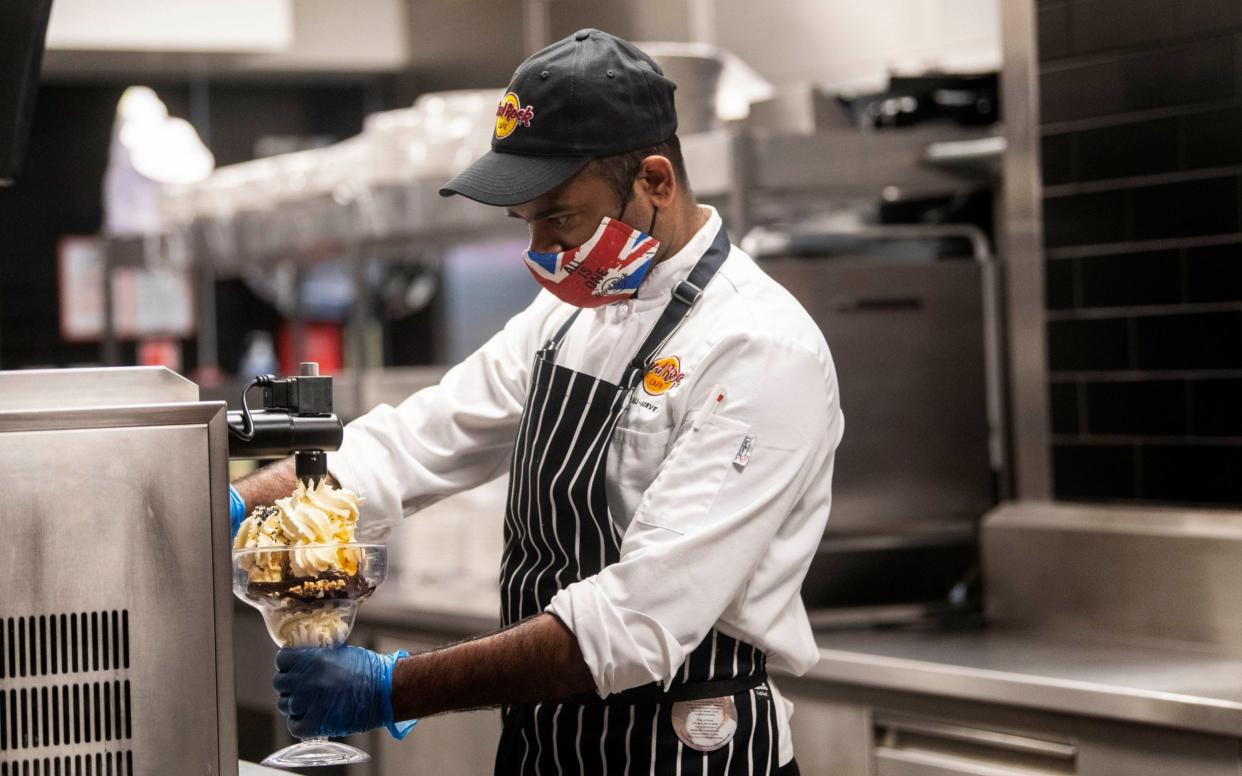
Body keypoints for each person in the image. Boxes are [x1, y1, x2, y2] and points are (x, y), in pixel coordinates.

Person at [233, 28, 843, 776]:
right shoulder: (569, 318)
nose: (546, 253)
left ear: (654, 180)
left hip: (683, 753)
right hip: (547, 744)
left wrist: (394, 687)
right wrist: (244, 508)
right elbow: (416, 443)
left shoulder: (757, 346)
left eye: (561, 218)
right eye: (527, 224)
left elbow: (639, 620)